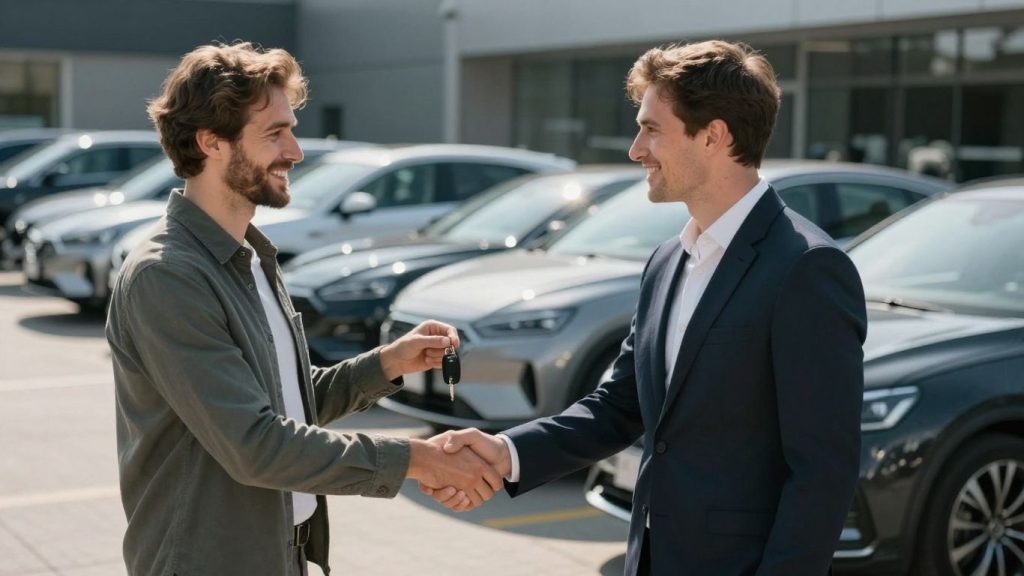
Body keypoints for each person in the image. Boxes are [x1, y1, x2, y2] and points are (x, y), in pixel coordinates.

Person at [428, 40, 867, 576]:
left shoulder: (807, 268)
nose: (637, 149)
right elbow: (619, 407)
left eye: (652, 129)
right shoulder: (666, 261)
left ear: (714, 136)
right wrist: (506, 453)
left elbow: (824, 471)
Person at [105, 42, 501, 576]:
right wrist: (420, 460)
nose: (295, 151)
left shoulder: (249, 255)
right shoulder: (168, 274)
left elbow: (283, 406)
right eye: (274, 134)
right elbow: (257, 445)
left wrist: (386, 364)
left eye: (291, 129)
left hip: (278, 555)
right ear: (210, 142)